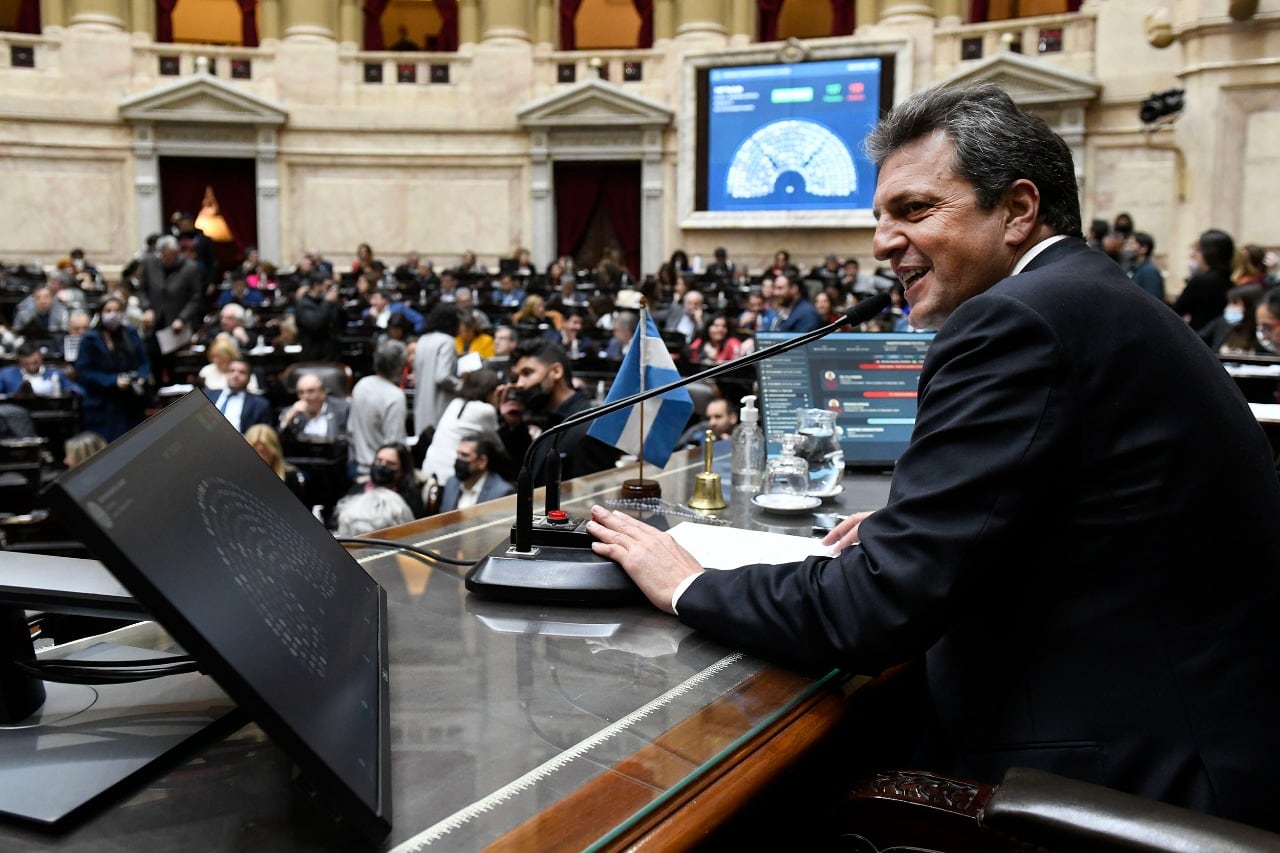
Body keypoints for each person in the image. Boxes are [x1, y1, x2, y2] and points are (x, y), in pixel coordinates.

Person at [585, 82, 1280, 832]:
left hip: (1119, 784)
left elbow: (874, 611)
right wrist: (904, 532)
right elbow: (1075, 520)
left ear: (1017, 210)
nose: (883, 241)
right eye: (880, 217)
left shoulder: (1017, 322)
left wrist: (689, 584)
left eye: (915, 210)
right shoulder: (1086, 297)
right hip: (1199, 740)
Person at [505, 339, 619, 486]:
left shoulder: (586, 428)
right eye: (518, 377)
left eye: (527, 373)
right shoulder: (553, 417)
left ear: (556, 371)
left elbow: (589, 501)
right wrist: (515, 426)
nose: (520, 384)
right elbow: (530, 473)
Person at [75, 296, 150, 442]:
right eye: (108, 310)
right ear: (100, 313)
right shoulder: (90, 339)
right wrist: (113, 380)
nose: (113, 314)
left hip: (130, 401)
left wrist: (142, 377)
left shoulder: (131, 333)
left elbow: (144, 362)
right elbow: (84, 372)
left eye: (117, 310)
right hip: (103, 403)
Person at [349, 339, 409, 475]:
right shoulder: (395, 396)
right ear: (400, 366)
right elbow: (394, 443)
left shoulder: (361, 385)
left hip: (358, 464)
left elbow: (350, 429)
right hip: (382, 471)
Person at [412, 305, 462, 436]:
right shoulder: (447, 341)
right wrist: (462, 386)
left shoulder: (422, 340)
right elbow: (442, 376)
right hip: (440, 406)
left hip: (422, 407)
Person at [1173, 229, 1235, 332]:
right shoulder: (1228, 279)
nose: (1195, 255)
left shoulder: (1200, 281)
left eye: (1198, 250)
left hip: (1199, 336)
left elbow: (1176, 312)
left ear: (1208, 253)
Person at [346, 441, 425, 518]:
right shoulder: (357, 489)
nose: (382, 466)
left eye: (390, 464)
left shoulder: (411, 500)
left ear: (402, 470)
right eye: (378, 461)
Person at [438, 437, 514, 512]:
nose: (458, 459)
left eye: (465, 455)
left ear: (482, 461)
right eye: (458, 454)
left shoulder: (501, 493)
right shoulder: (451, 483)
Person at [204, 358, 273, 434]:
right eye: (232, 371)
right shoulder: (207, 395)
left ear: (249, 378)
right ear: (226, 374)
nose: (235, 375)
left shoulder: (260, 404)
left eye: (242, 372)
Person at [279, 371, 350, 442]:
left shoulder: (343, 410)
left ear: (323, 393)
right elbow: (277, 442)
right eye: (301, 392)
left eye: (311, 391)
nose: (305, 397)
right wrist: (288, 419)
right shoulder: (291, 412)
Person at [244, 423, 306, 502]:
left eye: (265, 452)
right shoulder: (239, 476)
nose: (260, 457)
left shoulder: (290, 477)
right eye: (254, 452)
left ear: (274, 453)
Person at [0, 341, 82, 397]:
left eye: (35, 363)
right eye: (26, 364)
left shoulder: (56, 374)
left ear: (41, 358)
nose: (31, 367)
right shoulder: (6, 375)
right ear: (19, 362)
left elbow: (76, 390)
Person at [1126, 231, 1165, 302]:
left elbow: (1153, 301)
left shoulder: (1149, 272)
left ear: (1143, 249)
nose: (1127, 248)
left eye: (1131, 244)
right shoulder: (1133, 268)